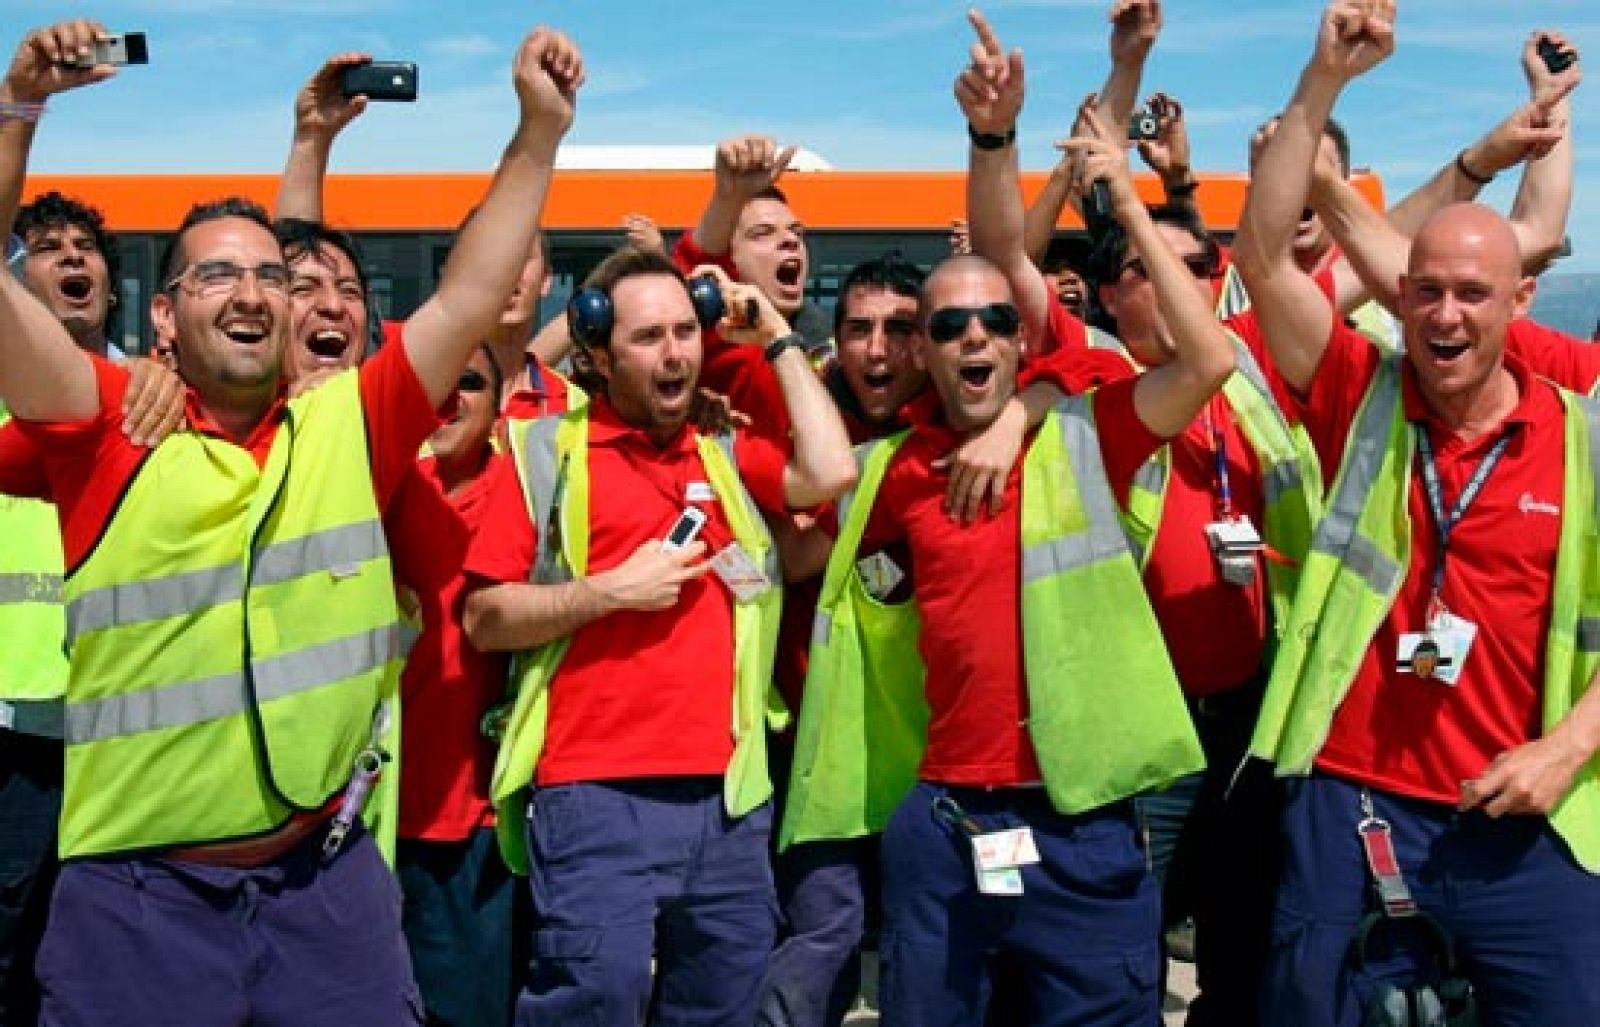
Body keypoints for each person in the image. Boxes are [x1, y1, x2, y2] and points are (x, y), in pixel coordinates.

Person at [0, 24, 584, 1025]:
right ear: (165, 317)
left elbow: (471, 297)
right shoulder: (105, 425)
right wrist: (18, 109)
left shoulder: (351, 423)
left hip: (326, 887)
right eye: (216, 275)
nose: (251, 293)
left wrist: (538, 133)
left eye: (272, 275)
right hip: (137, 903)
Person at [780, 13, 1237, 1022]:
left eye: (996, 321)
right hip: (941, 824)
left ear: (1022, 342)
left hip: (1086, 825)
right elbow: (808, 513)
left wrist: (1126, 196)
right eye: (948, 325)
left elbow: (1208, 358)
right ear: (922, 352)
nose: (976, 336)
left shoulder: (1087, 430)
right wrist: (772, 343)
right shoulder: (893, 470)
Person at [1237, 4, 1600, 1023]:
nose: (1445, 314)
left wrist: (1567, 748)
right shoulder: (1359, 395)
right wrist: (1321, 80)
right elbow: (1262, 260)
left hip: (1525, 816)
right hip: (1350, 807)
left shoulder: (1583, 437)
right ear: (1398, 299)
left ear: (1520, 302)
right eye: (1425, 291)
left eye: (1473, 294)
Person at [965, 14, 1317, 1021]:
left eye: (1199, 270)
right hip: (1138, 730)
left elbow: (1273, 254)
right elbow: (1003, 251)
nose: (1184, 282)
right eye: (1150, 267)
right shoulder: (1091, 373)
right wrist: (1105, 85)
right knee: (1122, 945)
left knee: (1242, 943)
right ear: (1111, 296)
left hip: (1251, 717)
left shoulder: (1255, 371)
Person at [462, 246, 856, 1025]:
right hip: (594, 796)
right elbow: (484, 617)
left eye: (686, 330)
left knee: (723, 1005)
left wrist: (775, 335)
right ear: (598, 353)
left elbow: (832, 469)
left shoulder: (724, 446)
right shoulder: (545, 451)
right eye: (648, 337)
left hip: (728, 797)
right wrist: (608, 591)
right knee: (594, 1001)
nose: (675, 353)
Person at [0, 21, 185, 1023]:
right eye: (47, 249)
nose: (73, 260)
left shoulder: (156, 391)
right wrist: (19, 107)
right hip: (13, 731)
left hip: (127, 730)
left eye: (87, 252)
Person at [391, 345, 522, 1027]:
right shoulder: (376, 484)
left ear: (500, 408)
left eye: (469, 383)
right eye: (438, 379)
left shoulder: (530, 493)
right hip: (365, 819)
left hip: (475, 825)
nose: (450, 396)